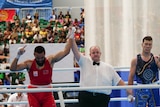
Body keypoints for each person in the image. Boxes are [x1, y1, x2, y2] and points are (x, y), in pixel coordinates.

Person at [69, 27, 127, 107]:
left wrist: (128, 90)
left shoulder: (109, 68)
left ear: (100, 54)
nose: (95, 54)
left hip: (102, 99)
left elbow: (119, 81)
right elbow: (75, 51)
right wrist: (72, 37)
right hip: (86, 97)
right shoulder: (84, 61)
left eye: (97, 52)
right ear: (90, 54)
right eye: (93, 52)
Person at [10, 37, 72, 107]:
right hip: (33, 92)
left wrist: (71, 36)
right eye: (38, 58)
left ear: (44, 54)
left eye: (42, 58)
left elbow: (66, 51)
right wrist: (18, 55)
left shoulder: (50, 60)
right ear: (34, 55)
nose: (40, 60)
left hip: (47, 91)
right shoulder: (29, 64)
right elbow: (12, 68)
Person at [127, 36, 160, 107]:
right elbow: (131, 77)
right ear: (142, 44)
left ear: (152, 46)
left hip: (154, 88)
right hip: (141, 89)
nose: (148, 46)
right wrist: (130, 92)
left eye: (150, 44)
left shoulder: (156, 59)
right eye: (146, 44)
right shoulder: (135, 60)